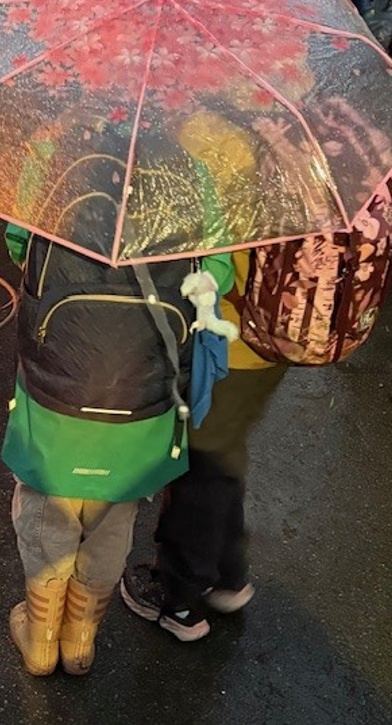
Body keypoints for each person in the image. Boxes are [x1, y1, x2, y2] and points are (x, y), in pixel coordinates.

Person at [1, 141, 235, 674]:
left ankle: (41, 639)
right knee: (115, 510)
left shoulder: (53, 151)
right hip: (144, 388)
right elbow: (216, 275)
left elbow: (20, 246)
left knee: (47, 501)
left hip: (59, 379)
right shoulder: (194, 167)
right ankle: (81, 640)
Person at [120, 249, 287, 641]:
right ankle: (228, 575)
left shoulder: (234, 185)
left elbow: (217, 266)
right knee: (224, 451)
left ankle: (178, 597)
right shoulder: (311, 187)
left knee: (201, 465)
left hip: (230, 340)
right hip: (281, 333)